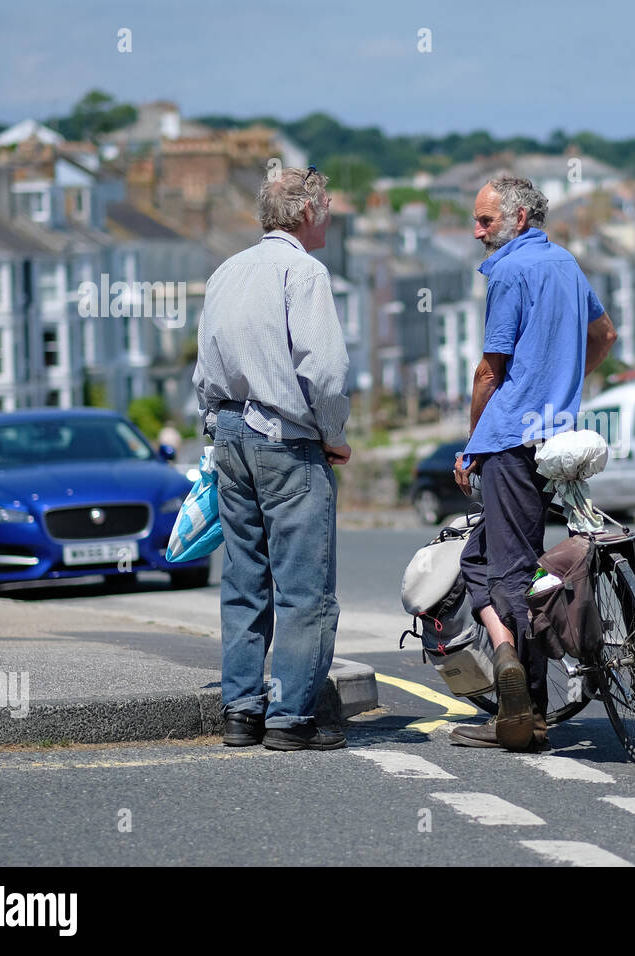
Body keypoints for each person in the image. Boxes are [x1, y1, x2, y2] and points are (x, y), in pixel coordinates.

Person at [449, 175, 618, 751]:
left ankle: (525, 715)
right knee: (484, 556)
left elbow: (489, 372)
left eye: (485, 221)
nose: (476, 232)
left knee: (509, 572)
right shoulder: (567, 264)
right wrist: (562, 385)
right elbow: (605, 335)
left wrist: (473, 443)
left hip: (510, 440)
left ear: (518, 218)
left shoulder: (510, 272)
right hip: (557, 439)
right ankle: (511, 670)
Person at [193, 166, 353, 751]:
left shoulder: (225, 272)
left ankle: (241, 712)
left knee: (244, 580)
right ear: (307, 211)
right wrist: (333, 433)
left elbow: (204, 369)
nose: (331, 214)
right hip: (286, 438)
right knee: (304, 588)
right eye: (328, 205)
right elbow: (325, 371)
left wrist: (216, 426)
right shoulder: (303, 271)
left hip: (230, 431)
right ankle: (290, 718)